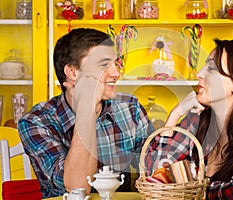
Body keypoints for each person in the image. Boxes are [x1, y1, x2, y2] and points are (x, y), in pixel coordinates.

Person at [18, 28, 154, 198]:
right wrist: (86, 109)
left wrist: (175, 117)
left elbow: (156, 166)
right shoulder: (36, 121)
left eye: (115, 64)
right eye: (104, 65)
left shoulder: (129, 107)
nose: (116, 73)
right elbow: (78, 187)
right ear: (73, 73)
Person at [146, 39, 233, 199]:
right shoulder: (198, 119)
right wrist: (175, 114)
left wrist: (186, 187)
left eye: (211, 68)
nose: (199, 73)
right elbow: (153, 175)